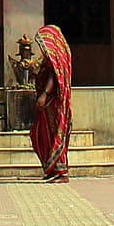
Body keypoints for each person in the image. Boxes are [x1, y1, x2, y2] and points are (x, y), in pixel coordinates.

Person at [29, 24, 73, 182]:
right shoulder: (49, 58)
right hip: (48, 105)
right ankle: (52, 169)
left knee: (53, 135)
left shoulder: (56, 59)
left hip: (53, 104)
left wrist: (44, 95)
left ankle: (60, 171)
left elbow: (54, 77)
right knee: (39, 134)